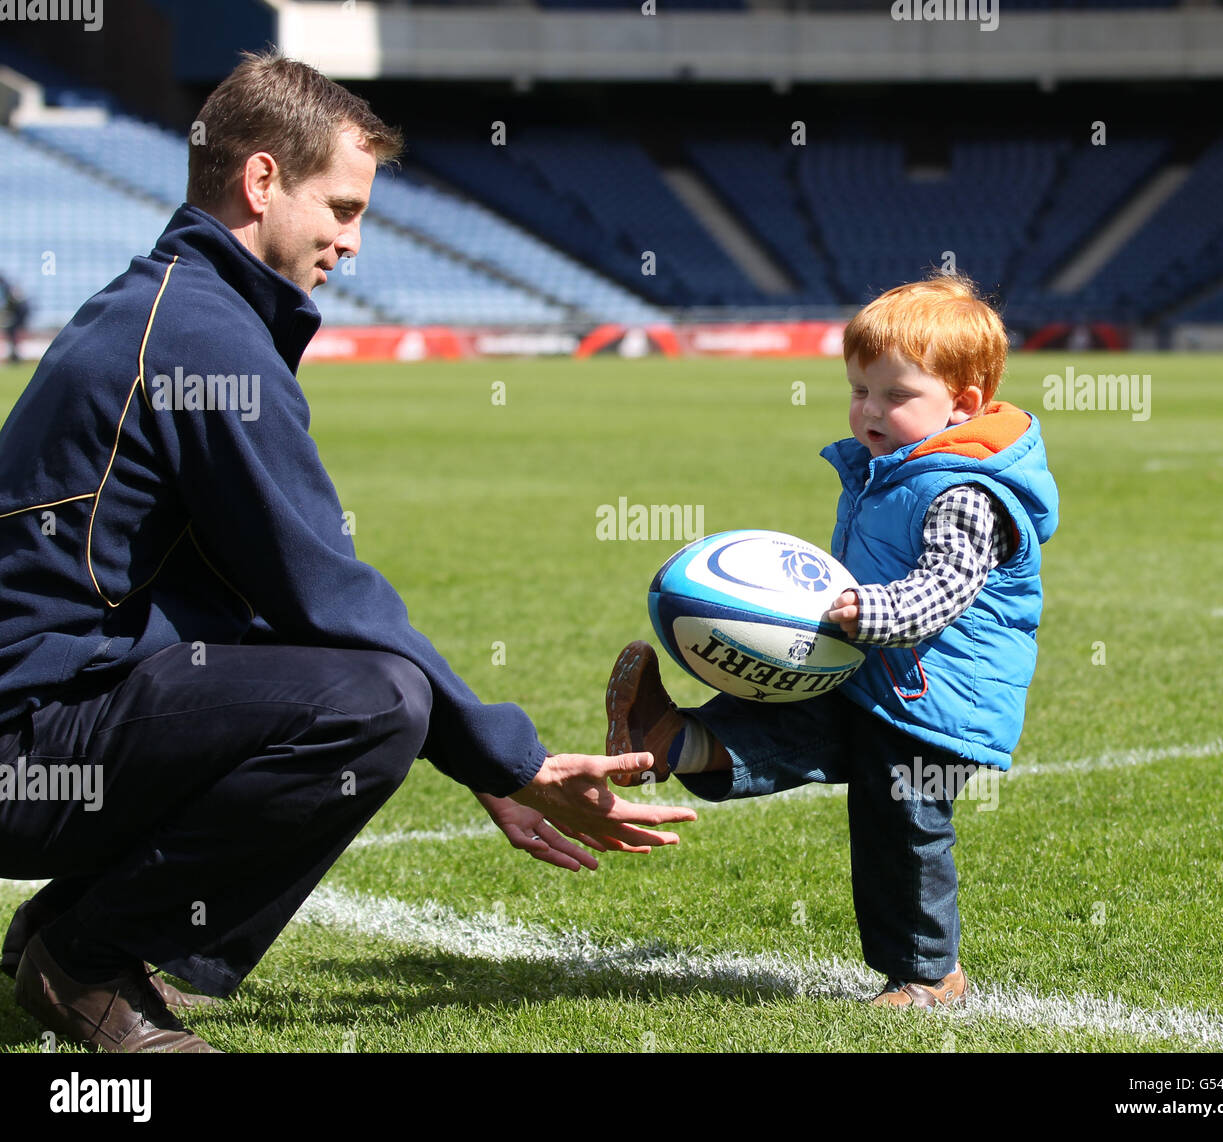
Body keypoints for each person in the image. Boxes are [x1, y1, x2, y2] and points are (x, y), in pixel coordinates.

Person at [0, 51, 694, 1054]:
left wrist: (486, 763)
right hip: (27, 744)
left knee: (318, 681)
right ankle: (89, 960)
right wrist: (510, 758)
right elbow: (326, 591)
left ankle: (62, 928)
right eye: (343, 207)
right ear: (262, 181)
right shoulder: (205, 339)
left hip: (43, 718)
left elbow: (260, 600)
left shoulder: (175, 307)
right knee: (374, 703)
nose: (353, 242)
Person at [606, 273, 1058, 1007]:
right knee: (782, 722)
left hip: (934, 699)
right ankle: (669, 739)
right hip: (871, 669)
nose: (870, 411)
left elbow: (941, 591)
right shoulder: (893, 469)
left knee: (899, 827)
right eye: (859, 391)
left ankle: (927, 974)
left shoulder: (966, 492)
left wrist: (871, 611)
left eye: (895, 396)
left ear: (963, 404)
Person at [0, 275, 30, 364]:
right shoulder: (7, 286)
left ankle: (15, 355)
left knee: (13, 332)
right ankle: (15, 355)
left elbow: (13, 302)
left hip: (19, 312)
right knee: (12, 332)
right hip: (18, 312)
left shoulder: (6, 287)